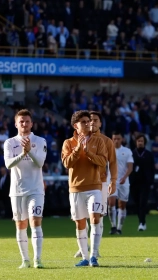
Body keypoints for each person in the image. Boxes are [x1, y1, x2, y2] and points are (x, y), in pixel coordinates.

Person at [61, 110, 109, 267]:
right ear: (76, 125)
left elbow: (102, 162)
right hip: (75, 189)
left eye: (89, 121)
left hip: (94, 187)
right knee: (80, 223)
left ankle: (94, 256)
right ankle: (85, 257)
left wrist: (88, 152)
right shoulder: (68, 143)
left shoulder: (99, 141)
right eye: (84, 122)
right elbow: (67, 163)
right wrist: (78, 150)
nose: (88, 124)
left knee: (96, 218)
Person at [3, 109, 47, 269]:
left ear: (32, 123)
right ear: (16, 124)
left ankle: (37, 259)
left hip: (36, 189)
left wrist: (30, 152)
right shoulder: (10, 143)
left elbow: (40, 163)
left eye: (27, 121)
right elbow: (8, 164)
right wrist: (23, 153)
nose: (24, 124)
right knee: (21, 225)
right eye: (21, 121)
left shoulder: (40, 140)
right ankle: (25, 260)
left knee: (35, 222)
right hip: (17, 191)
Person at [73, 111, 117, 257]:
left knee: (98, 216)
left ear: (100, 123)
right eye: (89, 120)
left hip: (101, 182)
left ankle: (95, 249)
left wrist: (113, 181)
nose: (92, 122)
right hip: (83, 183)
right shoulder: (77, 139)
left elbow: (112, 163)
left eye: (95, 120)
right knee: (82, 217)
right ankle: (84, 247)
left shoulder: (106, 141)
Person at [108, 131, 134, 234]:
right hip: (111, 181)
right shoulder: (108, 150)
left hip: (124, 181)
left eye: (118, 139)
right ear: (112, 139)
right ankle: (113, 226)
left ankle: (119, 228)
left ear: (122, 139)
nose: (116, 141)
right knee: (111, 203)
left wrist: (124, 177)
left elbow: (130, 167)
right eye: (114, 139)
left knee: (122, 205)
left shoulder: (127, 151)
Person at [129, 134, 155, 231]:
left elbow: (152, 169)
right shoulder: (131, 154)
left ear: (144, 142)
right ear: (136, 142)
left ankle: (142, 223)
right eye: (138, 141)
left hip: (145, 183)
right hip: (134, 183)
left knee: (142, 203)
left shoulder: (149, 154)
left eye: (142, 141)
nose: (140, 143)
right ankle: (141, 221)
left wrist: (151, 181)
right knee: (136, 204)